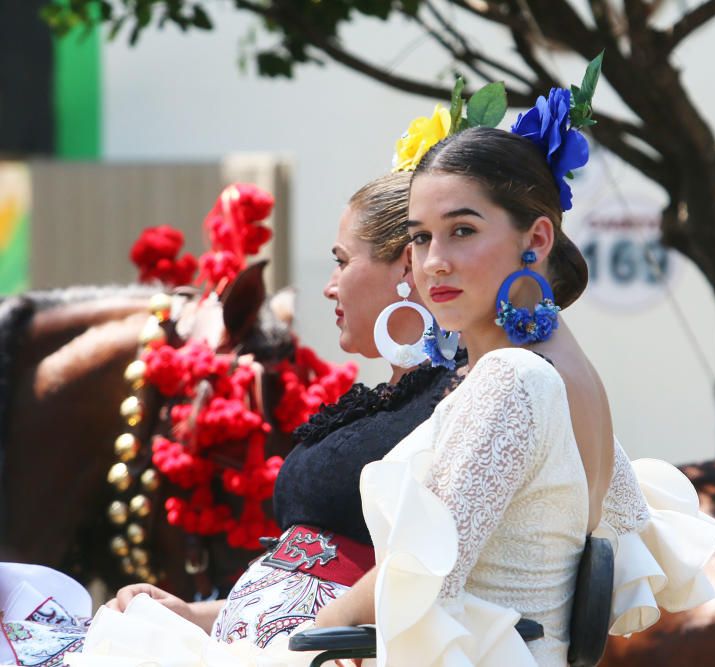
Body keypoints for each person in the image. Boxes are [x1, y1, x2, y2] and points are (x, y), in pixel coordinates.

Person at [0, 172, 466, 665]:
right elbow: (301, 575)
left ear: (407, 266)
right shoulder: (380, 401)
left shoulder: (462, 396)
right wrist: (194, 613)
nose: (329, 287)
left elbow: (425, 566)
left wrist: (308, 637)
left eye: (341, 262)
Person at [305, 125, 715, 666]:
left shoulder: (514, 379)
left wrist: (306, 632)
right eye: (422, 237)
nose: (433, 262)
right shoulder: (570, 377)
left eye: (462, 231)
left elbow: (426, 571)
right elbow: (628, 528)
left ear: (537, 239)